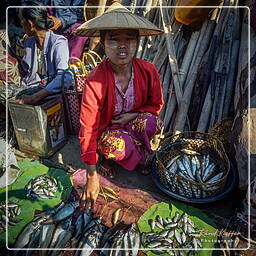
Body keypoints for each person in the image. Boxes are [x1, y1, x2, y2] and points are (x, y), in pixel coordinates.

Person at [74, 3, 164, 209]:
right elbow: (87, 127)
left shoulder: (148, 70)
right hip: (109, 130)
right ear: (104, 43)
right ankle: (110, 159)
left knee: (152, 123)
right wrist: (91, 174)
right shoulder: (95, 80)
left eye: (129, 39)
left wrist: (132, 116)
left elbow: (156, 104)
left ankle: (140, 156)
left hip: (133, 122)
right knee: (114, 146)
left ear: (137, 43)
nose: (122, 46)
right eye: (114, 39)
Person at [17, 1, 70, 104]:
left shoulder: (58, 42)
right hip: (33, 87)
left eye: (22, 20)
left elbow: (64, 77)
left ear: (30, 24)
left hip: (49, 92)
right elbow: (29, 75)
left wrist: (35, 97)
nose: (21, 24)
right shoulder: (29, 42)